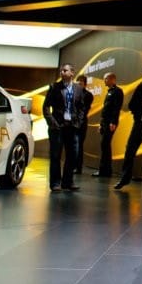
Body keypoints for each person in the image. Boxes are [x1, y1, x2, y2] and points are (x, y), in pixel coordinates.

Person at [43, 63, 86, 192]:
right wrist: (52, 123)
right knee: (55, 155)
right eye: (61, 70)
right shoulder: (54, 87)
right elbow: (46, 107)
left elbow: (81, 107)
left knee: (73, 155)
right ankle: (55, 183)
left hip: (72, 127)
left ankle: (68, 182)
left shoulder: (78, 89)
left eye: (65, 70)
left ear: (72, 73)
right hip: (57, 127)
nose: (62, 72)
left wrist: (78, 122)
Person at [92, 72, 124, 178]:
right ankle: (107, 170)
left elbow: (116, 108)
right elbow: (105, 109)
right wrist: (101, 124)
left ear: (112, 79)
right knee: (105, 145)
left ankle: (104, 170)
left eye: (106, 78)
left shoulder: (117, 91)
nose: (104, 80)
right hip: (105, 122)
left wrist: (113, 122)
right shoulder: (109, 91)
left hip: (110, 122)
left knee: (105, 144)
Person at [74, 74, 94, 174]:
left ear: (85, 85)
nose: (78, 85)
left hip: (81, 123)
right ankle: (72, 165)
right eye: (77, 83)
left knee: (79, 145)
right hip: (72, 123)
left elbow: (84, 110)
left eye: (81, 84)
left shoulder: (88, 95)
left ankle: (78, 167)